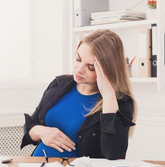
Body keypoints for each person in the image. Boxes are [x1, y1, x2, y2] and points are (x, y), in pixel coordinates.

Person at [21, 29, 137, 160]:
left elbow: (112, 153)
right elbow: (31, 125)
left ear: (108, 70)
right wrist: (42, 132)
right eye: (78, 59)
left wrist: (109, 94)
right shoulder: (59, 84)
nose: (79, 69)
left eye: (91, 67)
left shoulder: (120, 102)